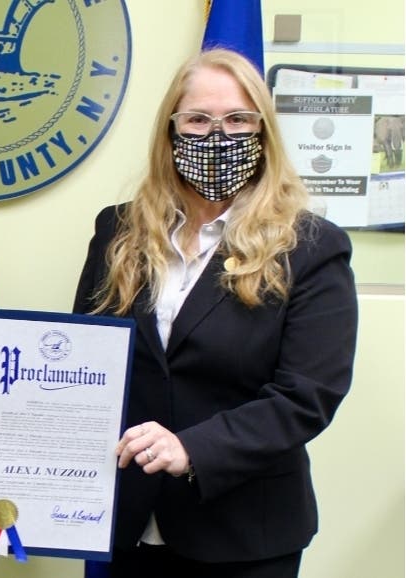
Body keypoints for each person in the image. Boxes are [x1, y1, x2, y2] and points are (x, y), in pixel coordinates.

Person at [74, 48, 358, 578]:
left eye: (237, 120)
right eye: (198, 119)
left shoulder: (311, 247)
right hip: (123, 523)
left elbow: (307, 396)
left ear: (263, 132)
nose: (217, 135)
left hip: (244, 533)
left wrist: (192, 449)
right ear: (171, 131)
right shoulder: (118, 232)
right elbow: (87, 368)